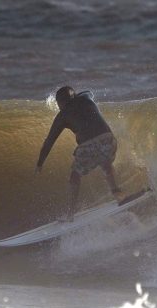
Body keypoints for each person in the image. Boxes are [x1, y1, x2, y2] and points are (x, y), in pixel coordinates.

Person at [35, 86, 125, 221]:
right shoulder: (86, 98)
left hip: (89, 145)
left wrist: (40, 163)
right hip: (109, 140)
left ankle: (70, 214)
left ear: (61, 102)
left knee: (75, 175)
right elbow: (88, 91)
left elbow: (49, 141)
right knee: (105, 163)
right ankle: (117, 192)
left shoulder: (63, 115)